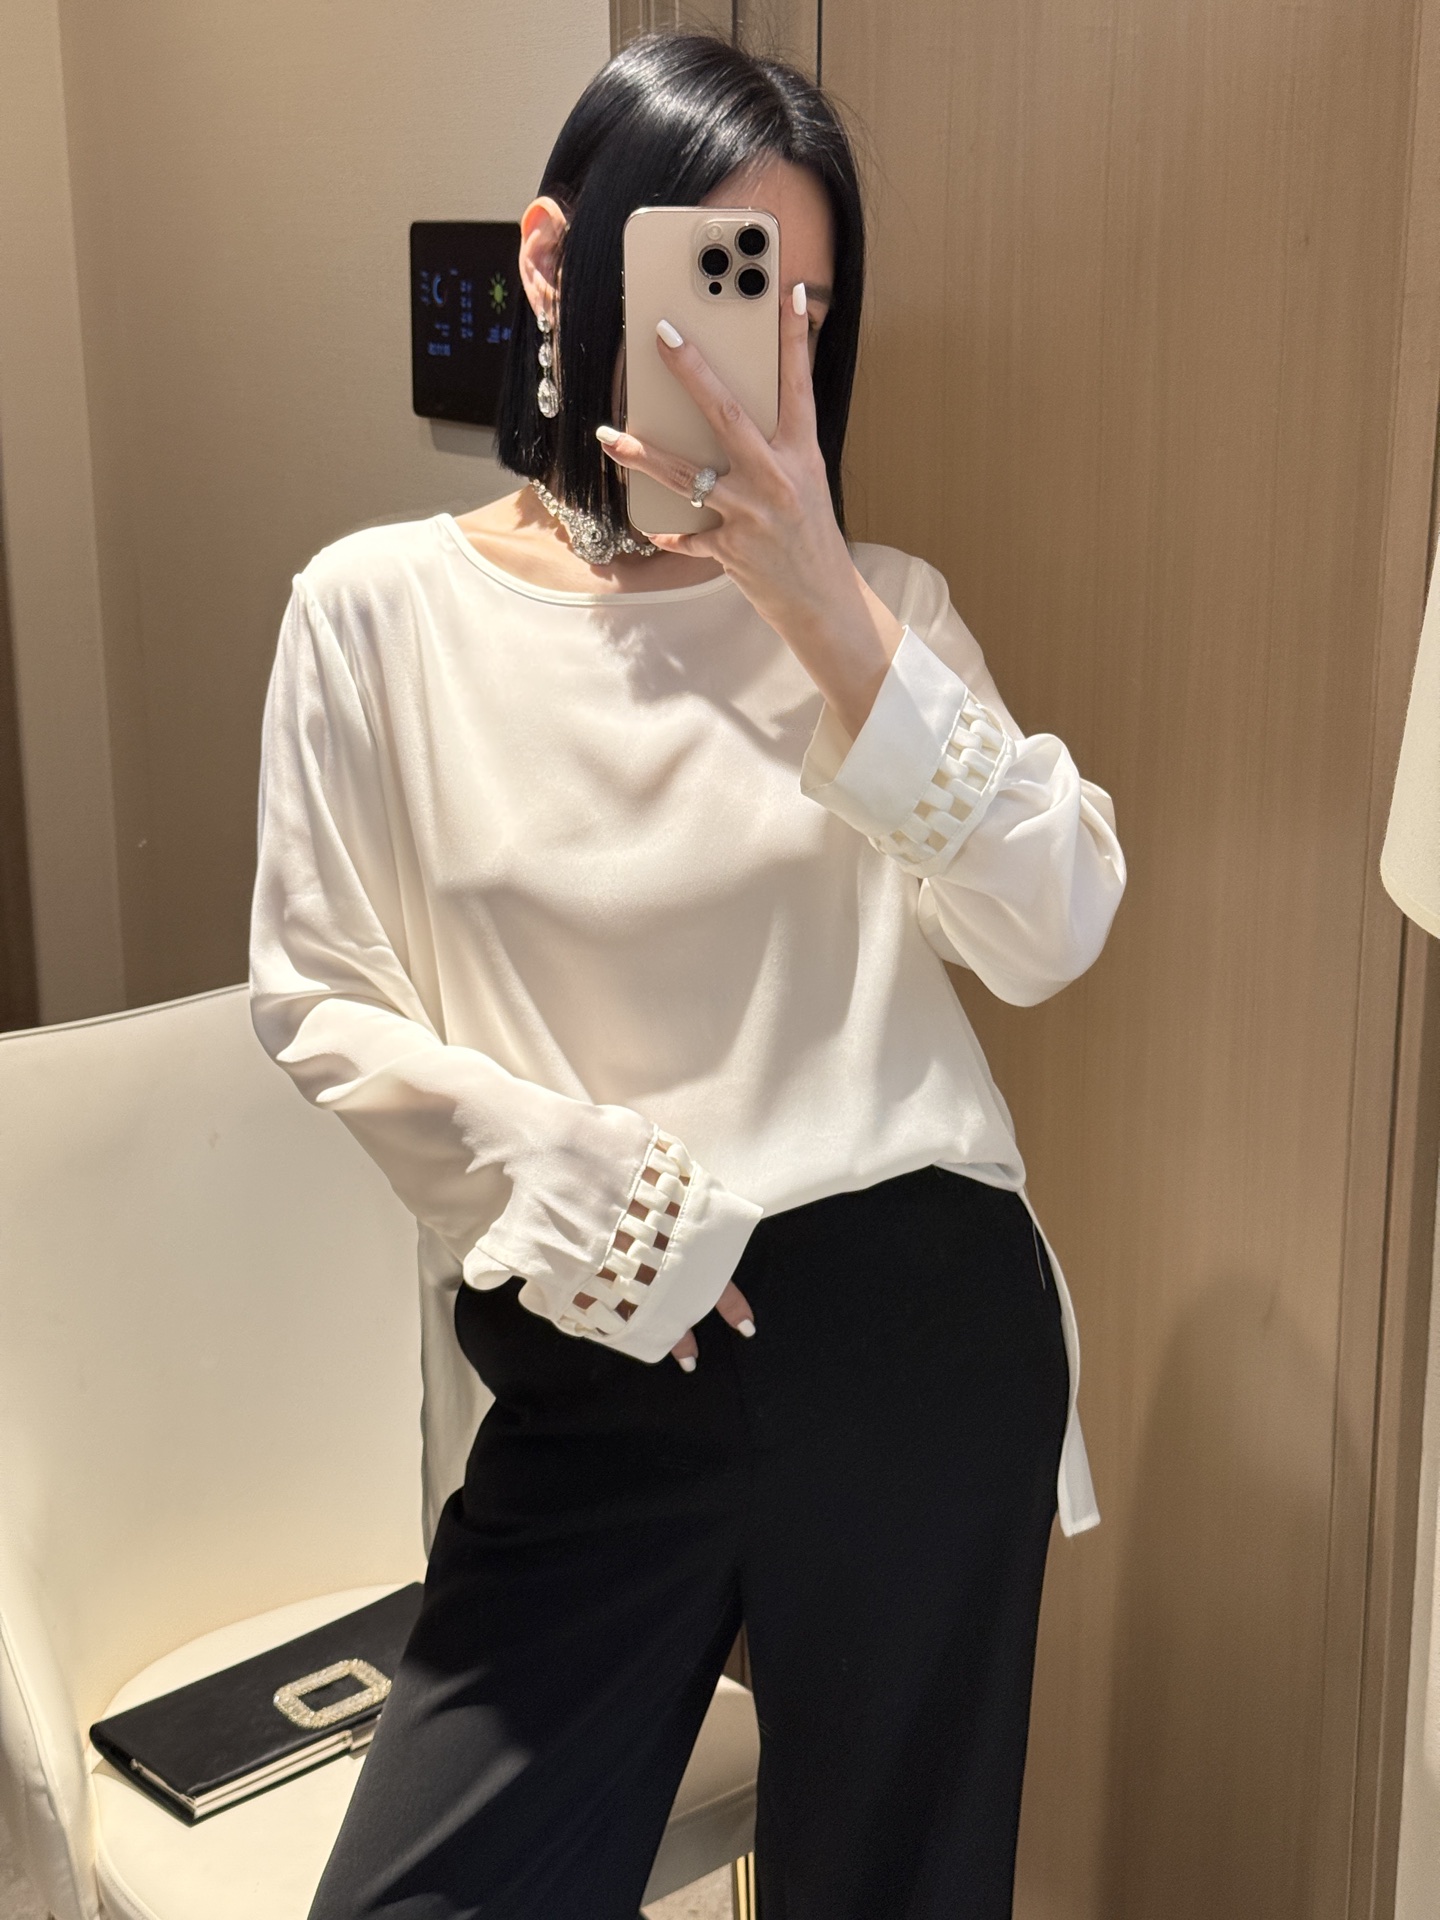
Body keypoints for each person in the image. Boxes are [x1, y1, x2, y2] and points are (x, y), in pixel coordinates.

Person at [249, 30, 1126, 1920]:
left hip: (915, 1342)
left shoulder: (879, 612)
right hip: (600, 1354)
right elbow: (315, 992)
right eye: (724, 282)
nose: (766, 351)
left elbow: (1055, 927)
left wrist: (827, 610)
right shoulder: (377, 614)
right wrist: (594, 1198)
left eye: (807, 308)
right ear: (556, 262)